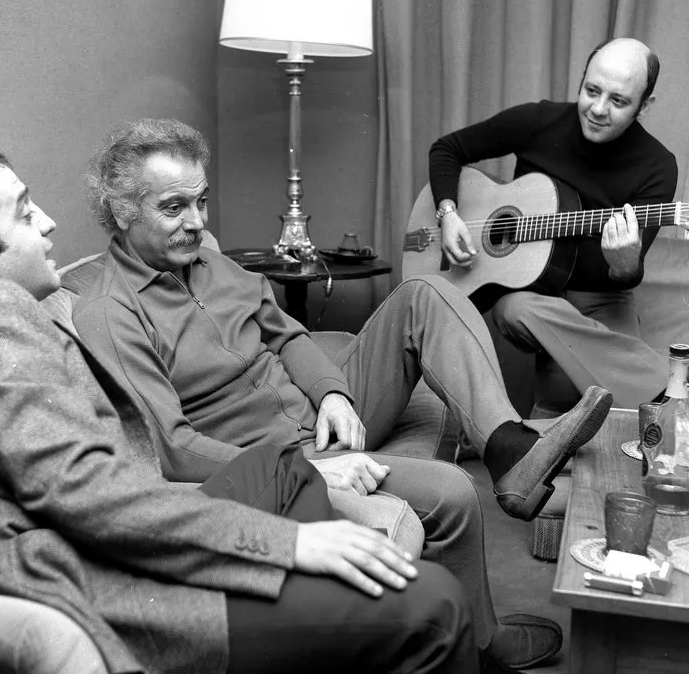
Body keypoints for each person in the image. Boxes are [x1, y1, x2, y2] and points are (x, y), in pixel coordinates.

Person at [0, 150, 479, 674]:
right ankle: (336, 610)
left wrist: (330, 394)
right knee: (434, 601)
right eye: (22, 213)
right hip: (106, 575)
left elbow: (287, 335)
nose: (48, 222)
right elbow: (89, 494)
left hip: (142, 512)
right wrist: (287, 546)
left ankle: (324, 620)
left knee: (284, 470)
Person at [72, 118, 614, 670]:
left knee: (426, 291)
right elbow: (172, 446)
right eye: (174, 208)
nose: (196, 223)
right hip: (281, 458)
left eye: (201, 201)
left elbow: (286, 334)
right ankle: (480, 643)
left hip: (329, 419)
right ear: (121, 211)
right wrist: (299, 468)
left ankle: (509, 449)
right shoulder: (111, 313)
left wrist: (333, 392)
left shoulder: (212, 262)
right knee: (451, 491)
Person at [428, 37, 678, 411]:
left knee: (617, 414)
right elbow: (447, 149)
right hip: (534, 297)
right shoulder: (538, 121)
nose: (597, 109)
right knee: (515, 308)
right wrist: (448, 214)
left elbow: (626, 275)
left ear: (644, 106)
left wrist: (624, 262)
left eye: (618, 101)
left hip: (601, 300)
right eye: (591, 91)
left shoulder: (658, 165)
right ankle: (670, 384)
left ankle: (594, 405)